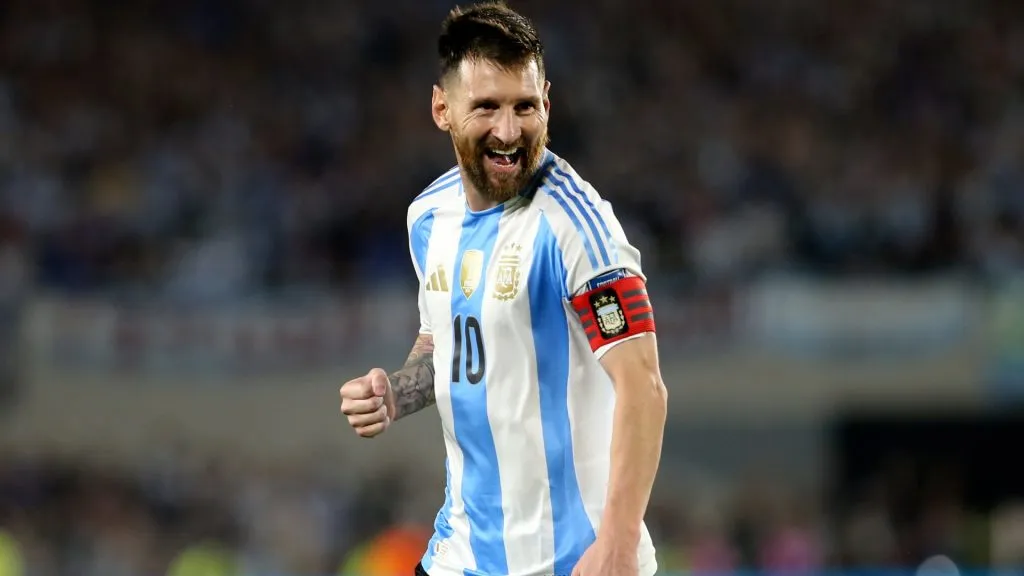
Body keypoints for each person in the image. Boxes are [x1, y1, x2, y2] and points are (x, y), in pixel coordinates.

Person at [339, 2, 668, 575]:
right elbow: (446, 343)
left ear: (547, 104)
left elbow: (643, 385)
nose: (509, 131)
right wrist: (395, 393)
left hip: (575, 561)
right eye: (487, 107)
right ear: (442, 108)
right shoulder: (428, 218)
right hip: (460, 557)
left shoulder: (576, 227)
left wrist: (617, 543)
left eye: (525, 106)